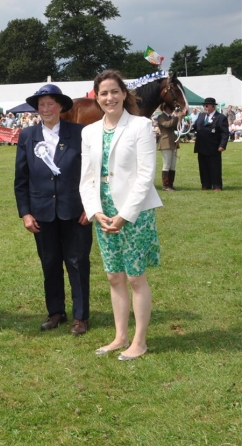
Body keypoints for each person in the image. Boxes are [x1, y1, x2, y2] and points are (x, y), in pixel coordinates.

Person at [80, 70, 163, 361]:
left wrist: (126, 214)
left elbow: (145, 175)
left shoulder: (140, 126)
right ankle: (120, 337)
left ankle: (139, 341)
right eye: (103, 93)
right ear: (96, 97)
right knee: (114, 276)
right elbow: (86, 178)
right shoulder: (88, 132)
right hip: (104, 213)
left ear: (124, 94)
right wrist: (95, 212)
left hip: (135, 212)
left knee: (135, 277)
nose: (109, 97)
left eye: (114, 91)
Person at [14, 84, 92, 335]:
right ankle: (56, 312)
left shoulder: (79, 133)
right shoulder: (27, 135)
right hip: (41, 212)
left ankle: (81, 316)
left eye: (50, 104)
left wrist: (90, 207)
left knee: (78, 263)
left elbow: (91, 173)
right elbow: (21, 178)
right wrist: (25, 212)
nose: (46, 109)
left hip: (75, 211)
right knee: (49, 263)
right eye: (41, 104)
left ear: (60, 106)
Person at [192, 97, 230, 191]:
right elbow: (195, 127)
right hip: (202, 145)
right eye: (204, 105)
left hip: (214, 146)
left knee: (214, 167)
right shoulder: (201, 116)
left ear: (213, 106)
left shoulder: (220, 117)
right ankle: (205, 184)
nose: (205, 107)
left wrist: (222, 145)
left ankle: (217, 185)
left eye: (207, 105)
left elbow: (225, 133)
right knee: (203, 167)